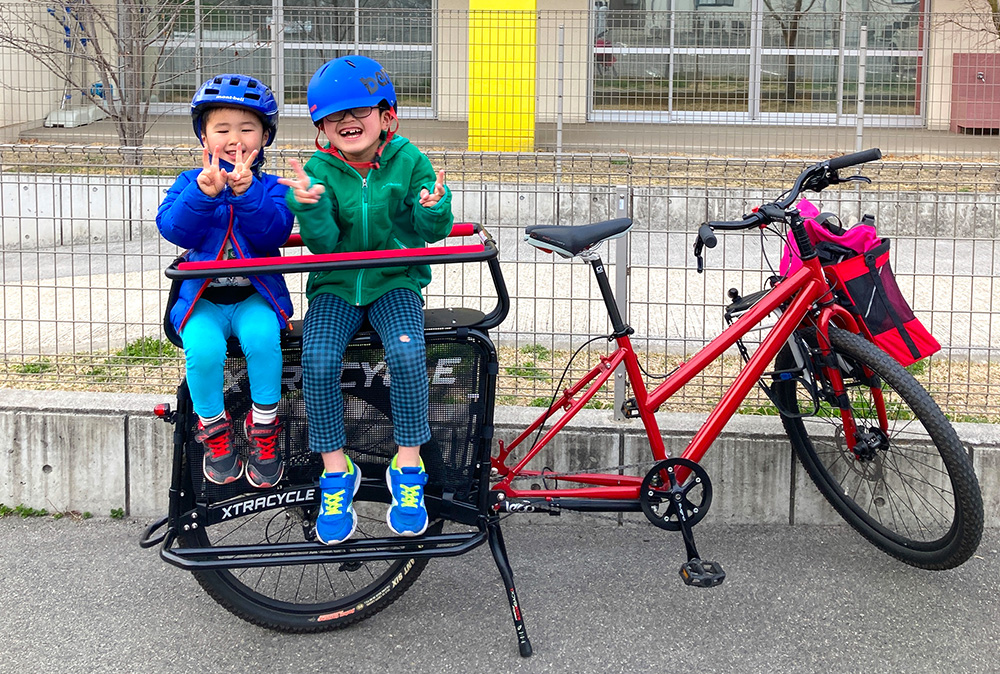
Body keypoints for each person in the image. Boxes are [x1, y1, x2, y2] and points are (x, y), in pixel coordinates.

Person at [279, 55, 452, 545]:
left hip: (395, 280)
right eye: (334, 117)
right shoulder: (318, 169)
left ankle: (408, 465)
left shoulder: (410, 160)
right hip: (335, 284)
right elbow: (325, 246)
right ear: (321, 128)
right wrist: (309, 207)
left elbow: (428, 231)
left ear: (387, 115)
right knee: (316, 357)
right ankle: (337, 471)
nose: (348, 122)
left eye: (360, 111)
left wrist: (436, 208)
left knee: (405, 350)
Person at [157, 74, 294, 489]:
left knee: (263, 340)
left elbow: (274, 232)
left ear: (265, 138)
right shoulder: (189, 182)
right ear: (204, 136)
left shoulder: (271, 186)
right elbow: (174, 229)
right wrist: (204, 194)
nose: (235, 139)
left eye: (247, 129)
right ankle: (215, 432)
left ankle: (264, 428)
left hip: (255, 296)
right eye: (222, 129)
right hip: (203, 301)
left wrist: (247, 193)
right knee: (203, 349)